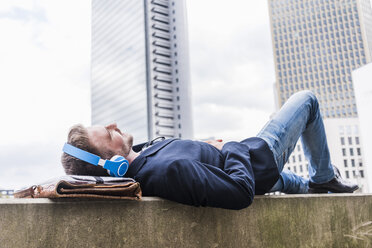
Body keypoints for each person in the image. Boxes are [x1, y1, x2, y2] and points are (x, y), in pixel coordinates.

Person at [61, 91, 358, 210]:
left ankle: (318, 186)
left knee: (294, 182)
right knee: (307, 101)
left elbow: (184, 157)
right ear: (112, 162)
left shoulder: (145, 156)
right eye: (108, 133)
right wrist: (230, 146)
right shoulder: (165, 171)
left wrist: (201, 144)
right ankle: (323, 177)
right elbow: (241, 192)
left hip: (252, 168)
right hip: (256, 161)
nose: (114, 124)